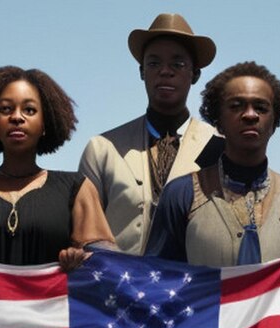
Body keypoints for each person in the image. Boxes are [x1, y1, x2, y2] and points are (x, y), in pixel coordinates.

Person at [0, 66, 115, 271]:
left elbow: (106, 264)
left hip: (54, 302)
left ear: (45, 123)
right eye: (5, 109)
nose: (17, 117)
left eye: (29, 110)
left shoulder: (76, 188)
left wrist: (82, 258)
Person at [79, 13, 223, 255]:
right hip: (120, 289)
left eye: (177, 64)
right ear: (141, 72)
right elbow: (84, 234)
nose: (165, 71)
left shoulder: (218, 147)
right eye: (154, 63)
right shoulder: (103, 149)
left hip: (193, 290)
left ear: (195, 74)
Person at [145, 61, 280, 267]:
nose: (250, 115)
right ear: (218, 120)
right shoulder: (182, 195)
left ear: (274, 122)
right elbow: (156, 278)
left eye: (260, 107)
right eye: (236, 106)